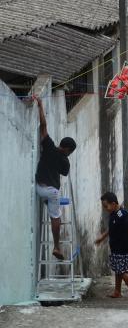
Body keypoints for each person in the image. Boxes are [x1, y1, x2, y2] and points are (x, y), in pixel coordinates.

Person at [34, 96, 77, 260]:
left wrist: (40, 105)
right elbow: (64, 172)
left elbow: (43, 126)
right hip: (51, 191)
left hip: (38, 187)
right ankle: (57, 246)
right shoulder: (65, 162)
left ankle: (57, 245)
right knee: (55, 216)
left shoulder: (49, 146)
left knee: (52, 205)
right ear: (68, 150)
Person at [95, 192, 128, 298]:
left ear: (114, 204)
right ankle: (117, 291)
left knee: (123, 272)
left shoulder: (122, 214)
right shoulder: (113, 214)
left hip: (122, 248)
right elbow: (112, 229)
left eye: (106, 206)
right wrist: (103, 237)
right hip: (115, 247)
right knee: (117, 271)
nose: (105, 209)